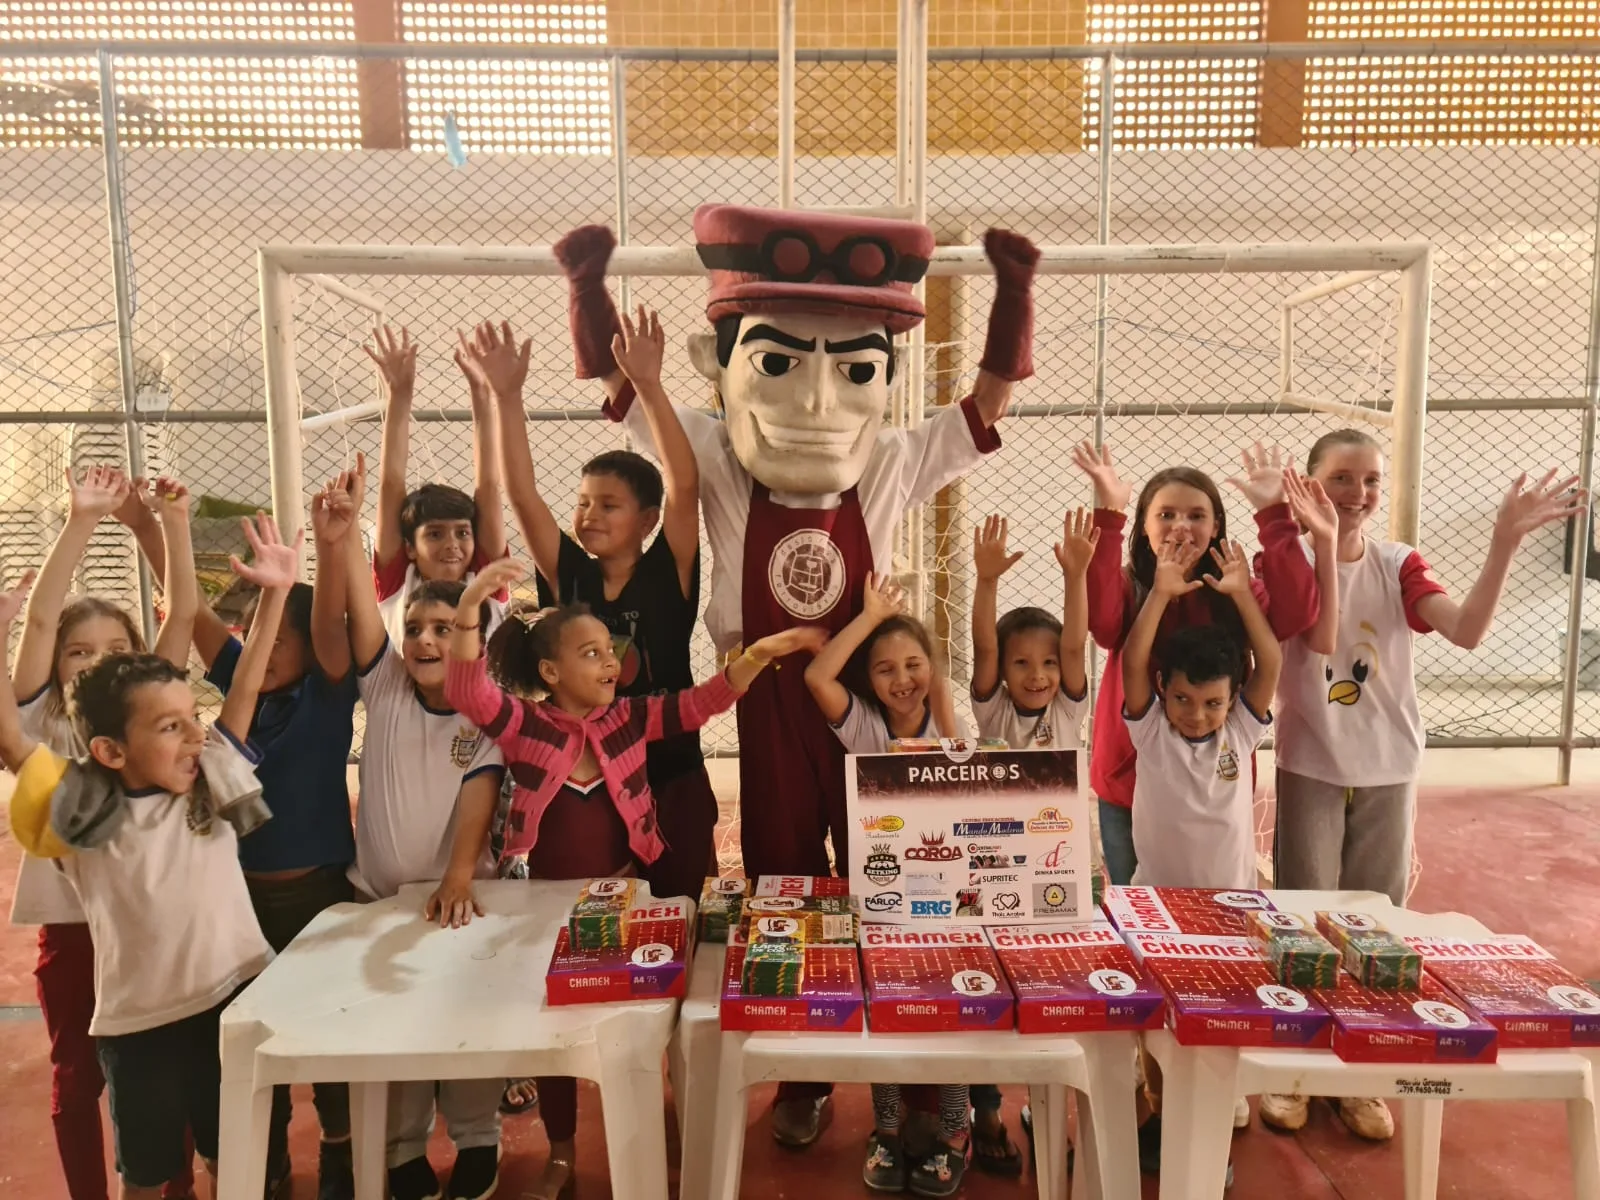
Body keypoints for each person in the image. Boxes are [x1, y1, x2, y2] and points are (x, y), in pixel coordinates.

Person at [557, 209, 1036, 1146]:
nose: (818, 401)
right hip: (767, 699)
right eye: (781, 363)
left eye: (853, 371)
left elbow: (985, 407)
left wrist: (1014, 291)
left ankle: (911, 1060)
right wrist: (587, 286)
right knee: (783, 879)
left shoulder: (889, 464)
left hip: (869, 704)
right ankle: (805, 1072)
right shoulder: (721, 460)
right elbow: (624, 389)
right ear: (728, 365)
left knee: (889, 878)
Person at [434, 559, 822, 1200]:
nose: (609, 662)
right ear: (552, 674)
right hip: (541, 911)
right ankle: (561, 1155)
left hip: (623, 897)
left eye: (610, 650)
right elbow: (470, 694)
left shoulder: (629, 720)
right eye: (591, 653)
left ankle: (656, 1124)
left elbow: (702, 703)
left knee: (640, 1024)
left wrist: (760, 653)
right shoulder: (527, 727)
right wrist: (475, 600)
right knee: (551, 1038)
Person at [1260, 430, 1588, 1142]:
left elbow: (1466, 631)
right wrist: (1312, 541)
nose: (1359, 493)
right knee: (1305, 919)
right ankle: (1297, 1068)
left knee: (1378, 927)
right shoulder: (1286, 564)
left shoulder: (1399, 564)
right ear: (1309, 483)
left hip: (1387, 766)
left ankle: (1365, 1076)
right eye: (1342, 478)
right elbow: (1315, 629)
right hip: (1311, 761)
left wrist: (1503, 541)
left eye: (1371, 480)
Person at [3, 513, 299, 1200]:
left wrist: (276, 593)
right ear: (108, 751)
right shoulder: (84, 811)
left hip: (236, 997)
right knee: (147, 1174)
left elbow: (246, 689)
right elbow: (15, 743)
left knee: (240, 1163)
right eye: (170, 728)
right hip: (141, 1029)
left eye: (191, 719)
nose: (194, 737)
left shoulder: (213, 775)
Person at [116, 485, 358, 1200]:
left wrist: (332, 540)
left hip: (319, 896)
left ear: (312, 648)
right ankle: (271, 1164)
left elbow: (334, 626)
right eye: (257, 632)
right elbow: (191, 610)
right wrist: (143, 524)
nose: (264, 642)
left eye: (280, 633)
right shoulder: (244, 684)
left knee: (327, 1033)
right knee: (252, 1038)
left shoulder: (327, 693)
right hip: (241, 903)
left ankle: (341, 1150)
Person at [461, 312, 716, 903]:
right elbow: (521, 491)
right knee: (589, 913)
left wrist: (649, 385)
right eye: (582, 503)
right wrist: (507, 394)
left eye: (609, 505)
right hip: (587, 778)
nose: (589, 515)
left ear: (647, 521)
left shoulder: (668, 568)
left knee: (681, 909)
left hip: (670, 770)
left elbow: (684, 484)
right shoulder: (567, 572)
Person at [308, 458, 507, 1200]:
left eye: (448, 629)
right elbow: (365, 605)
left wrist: (459, 877)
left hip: (462, 901)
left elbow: (477, 798)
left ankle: (479, 1140)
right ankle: (399, 1149)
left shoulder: (484, 710)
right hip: (381, 900)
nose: (427, 639)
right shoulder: (386, 682)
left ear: (475, 642)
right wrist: (347, 532)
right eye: (417, 627)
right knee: (394, 1034)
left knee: (463, 1023)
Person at [5, 466, 199, 1200]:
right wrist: (80, 519)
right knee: (74, 1073)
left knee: (162, 1067)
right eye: (79, 652)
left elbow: (181, 616)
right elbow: (45, 619)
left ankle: (169, 1187)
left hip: (151, 923)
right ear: (58, 668)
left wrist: (174, 527)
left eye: (115, 645)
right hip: (74, 925)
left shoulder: (151, 716)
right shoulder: (44, 723)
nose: (97, 659)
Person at [1071, 441, 1317, 889]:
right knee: (1139, 911)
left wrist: (1274, 517)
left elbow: (1298, 614)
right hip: (1129, 781)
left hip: (1212, 787)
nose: (1181, 525)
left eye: (1196, 515)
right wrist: (1108, 514)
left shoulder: (1234, 588)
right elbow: (1104, 626)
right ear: (1143, 525)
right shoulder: (1131, 586)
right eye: (1165, 515)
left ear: (1216, 525)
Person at [1120, 537, 1282, 1181]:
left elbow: (1267, 658)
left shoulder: (1239, 730)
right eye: (1184, 699)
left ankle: (1217, 1098)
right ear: (1164, 690)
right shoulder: (1152, 728)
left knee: (1223, 1008)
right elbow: (1134, 658)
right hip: (1156, 902)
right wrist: (1160, 592)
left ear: (1232, 698)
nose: (1196, 715)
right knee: (1157, 1016)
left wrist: (1239, 592)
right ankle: (1158, 1100)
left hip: (1229, 905)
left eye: (1213, 702)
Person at [804, 573, 969, 1197]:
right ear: (868, 682)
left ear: (933, 667)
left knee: (952, 1008)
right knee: (887, 1005)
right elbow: (818, 678)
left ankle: (957, 1130)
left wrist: (946, 700)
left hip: (952, 898)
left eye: (914, 665)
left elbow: (961, 766)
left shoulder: (947, 720)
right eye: (884, 670)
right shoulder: (869, 729)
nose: (903, 680)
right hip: (885, 898)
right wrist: (868, 617)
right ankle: (889, 1128)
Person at [966, 509, 1095, 1177]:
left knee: (1054, 985)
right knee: (990, 990)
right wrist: (985, 582)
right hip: (994, 873)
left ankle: (1048, 1104)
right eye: (1024, 663)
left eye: (1046, 662)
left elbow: (1076, 648)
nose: (1038, 673)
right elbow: (984, 649)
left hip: (1059, 874)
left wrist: (1076, 575)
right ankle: (984, 1107)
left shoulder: (1069, 710)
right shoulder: (994, 712)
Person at [367, 323, 510, 646]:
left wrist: (482, 394)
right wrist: (399, 395)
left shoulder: (485, 581)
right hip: (411, 698)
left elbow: (488, 484)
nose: (452, 544)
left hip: (481, 698)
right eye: (434, 533)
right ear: (408, 549)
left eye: (462, 532)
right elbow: (391, 483)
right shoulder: (400, 584)